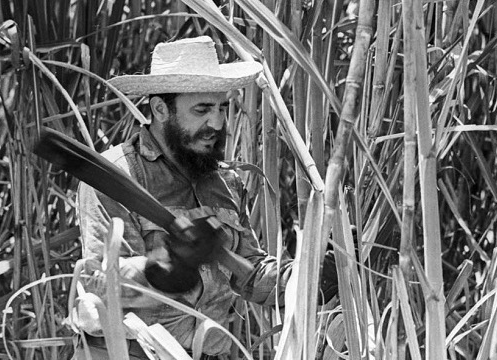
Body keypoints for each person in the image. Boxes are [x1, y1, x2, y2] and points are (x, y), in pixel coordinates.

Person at [73, 36, 337, 359]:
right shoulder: (116, 178)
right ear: (159, 109)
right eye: (202, 109)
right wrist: (164, 266)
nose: (217, 122)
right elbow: (97, 292)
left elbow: (250, 273)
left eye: (221, 108)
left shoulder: (225, 182)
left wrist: (310, 275)